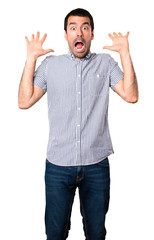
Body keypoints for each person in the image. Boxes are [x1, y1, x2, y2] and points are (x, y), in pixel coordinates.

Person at [18, 8, 138, 240]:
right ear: (66, 34)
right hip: (58, 166)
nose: (79, 32)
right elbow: (25, 101)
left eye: (85, 27)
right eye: (73, 28)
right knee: (55, 234)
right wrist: (31, 59)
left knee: (96, 233)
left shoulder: (105, 64)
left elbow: (131, 96)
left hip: (96, 165)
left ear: (92, 34)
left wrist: (125, 52)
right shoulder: (51, 65)